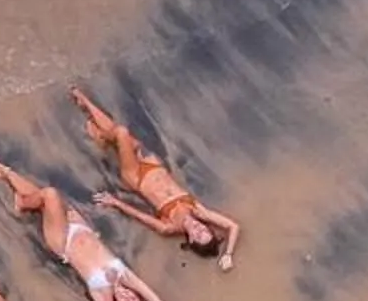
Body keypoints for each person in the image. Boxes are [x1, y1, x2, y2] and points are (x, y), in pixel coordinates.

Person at [0, 152, 196, 301]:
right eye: (133, 298)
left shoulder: (101, 294)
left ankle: (21, 204)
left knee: (50, 195)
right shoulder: (127, 277)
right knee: (43, 200)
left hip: (62, 241)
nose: (128, 297)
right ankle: (6, 173)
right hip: (80, 228)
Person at [70, 86, 243, 270]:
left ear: (191, 240)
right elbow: (233, 226)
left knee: (121, 133)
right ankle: (86, 104)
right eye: (206, 231)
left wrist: (115, 202)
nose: (201, 229)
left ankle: (99, 136)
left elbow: (140, 216)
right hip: (153, 164)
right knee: (120, 136)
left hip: (135, 177)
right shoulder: (199, 211)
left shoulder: (169, 227)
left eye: (199, 235)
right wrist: (228, 254)